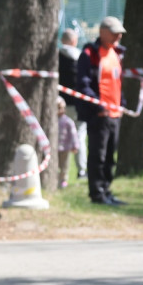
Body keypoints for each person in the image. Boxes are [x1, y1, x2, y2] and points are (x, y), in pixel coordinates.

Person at [76, 16, 127, 206]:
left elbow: (117, 83)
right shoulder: (89, 54)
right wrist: (99, 106)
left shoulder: (117, 53)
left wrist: (121, 103)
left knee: (110, 156)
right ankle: (96, 193)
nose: (118, 36)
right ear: (103, 32)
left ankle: (106, 190)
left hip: (115, 115)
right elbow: (83, 84)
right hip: (99, 115)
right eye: (114, 32)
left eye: (120, 33)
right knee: (98, 155)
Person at [58, 28, 87, 177]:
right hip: (77, 105)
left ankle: (60, 172)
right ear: (74, 41)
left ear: (62, 41)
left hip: (59, 105)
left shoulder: (55, 57)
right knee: (79, 136)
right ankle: (81, 170)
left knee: (58, 137)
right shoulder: (81, 58)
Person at [57, 97, 78, 189]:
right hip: (54, 148)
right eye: (58, 107)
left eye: (62, 107)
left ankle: (63, 180)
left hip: (65, 148)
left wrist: (75, 145)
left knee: (64, 166)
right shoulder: (51, 120)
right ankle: (55, 180)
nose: (60, 110)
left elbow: (73, 134)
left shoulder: (68, 121)